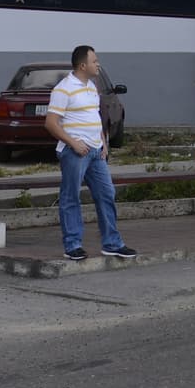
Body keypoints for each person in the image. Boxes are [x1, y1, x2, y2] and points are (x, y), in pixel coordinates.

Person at [44, 45, 137, 261]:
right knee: (71, 197)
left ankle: (112, 243)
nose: (98, 64)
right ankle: (73, 245)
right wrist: (73, 143)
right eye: (95, 61)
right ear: (83, 65)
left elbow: (95, 116)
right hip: (74, 152)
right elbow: (51, 123)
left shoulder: (92, 86)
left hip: (96, 152)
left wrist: (103, 142)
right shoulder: (63, 89)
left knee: (106, 194)